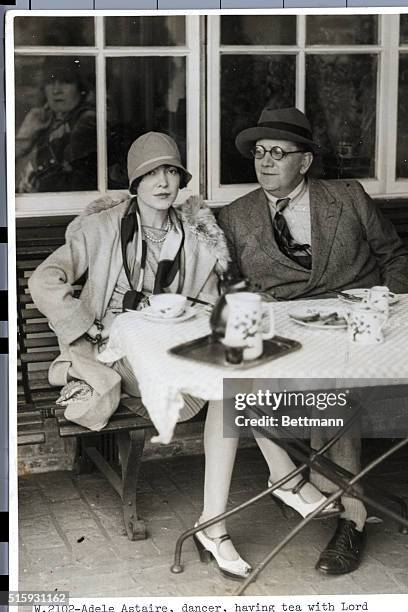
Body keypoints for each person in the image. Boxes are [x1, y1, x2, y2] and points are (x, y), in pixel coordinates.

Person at [28, 131, 252, 580]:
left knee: (237, 381)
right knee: (230, 386)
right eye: (152, 173)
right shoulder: (102, 227)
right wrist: (87, 324)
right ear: (135, 182)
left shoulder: (192, 234)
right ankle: (256, 502)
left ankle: (219, 519)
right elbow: (43, 280)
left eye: (171, 171)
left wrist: (197, 308)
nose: (163, 182)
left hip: (169, 345)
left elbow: (209, 300)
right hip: (116, 351)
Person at [218, 107, 408, 575]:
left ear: (304, 162)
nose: (265, 162)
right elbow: (229, 289)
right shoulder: (235, 216)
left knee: (336, 389)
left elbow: (395, 256)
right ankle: (336, 497)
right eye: (259, 153)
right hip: (286, 334)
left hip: (359, 329)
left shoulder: (347, 198)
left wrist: (388, 303)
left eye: (278, 153)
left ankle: (349, 517)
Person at [16, 56, 97, 193]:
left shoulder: (87, 121)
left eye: (66, 82)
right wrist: (26, 134)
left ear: (81, 87)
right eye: (50, 82)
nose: (56, 90)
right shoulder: (44, 119)